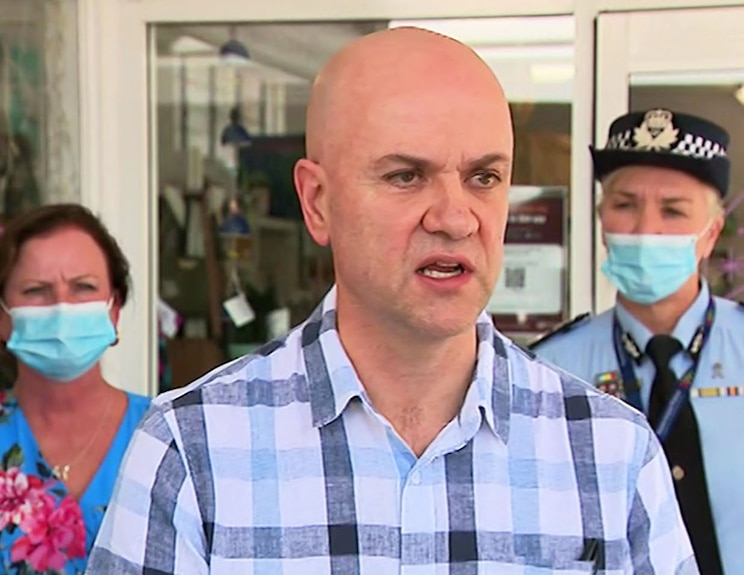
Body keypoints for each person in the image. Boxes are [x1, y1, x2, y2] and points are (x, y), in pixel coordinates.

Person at [85, 29, 696, 575]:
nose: (456, 218)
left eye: (484, 177)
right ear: (318, 202)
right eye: (406, 176)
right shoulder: (193, 451)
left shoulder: (609, 455)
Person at [531, 109, 744, 575]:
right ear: (602, 221)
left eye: (673, 210)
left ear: (712, 232)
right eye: (625, 204)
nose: (647, 229)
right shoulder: (548, 371)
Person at [0, 203, 151, 574]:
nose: (62, 307)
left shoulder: (168, 437)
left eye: (84, 287)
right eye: (37, 290)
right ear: (2, 316)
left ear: (114, 311)